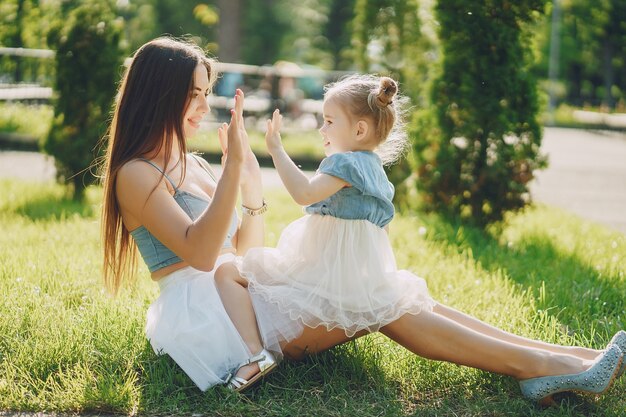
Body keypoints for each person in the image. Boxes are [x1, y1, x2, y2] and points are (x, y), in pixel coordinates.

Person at [214, 75, 625, 403]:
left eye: (329, 120)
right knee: (418, 307)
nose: (322, 127)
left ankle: (543, 366)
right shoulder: (371, 166)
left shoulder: (342, 162)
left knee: (410, 313)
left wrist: (275, 149)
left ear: (359, 128)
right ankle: (571, 359)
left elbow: (304, 194)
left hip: (334, 278)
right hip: (352, 271)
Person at [100, 37, 297, 392]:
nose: (205, 107)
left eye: (207, 92)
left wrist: (250, 188)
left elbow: (241, 253)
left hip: (233, 291)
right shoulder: (135, 173)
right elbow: (202, 255)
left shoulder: (198, 164)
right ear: (158, 95)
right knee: (373, 306)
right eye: (194, 94)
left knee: (374, 302)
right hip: (202, 312)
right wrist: (233, 168)